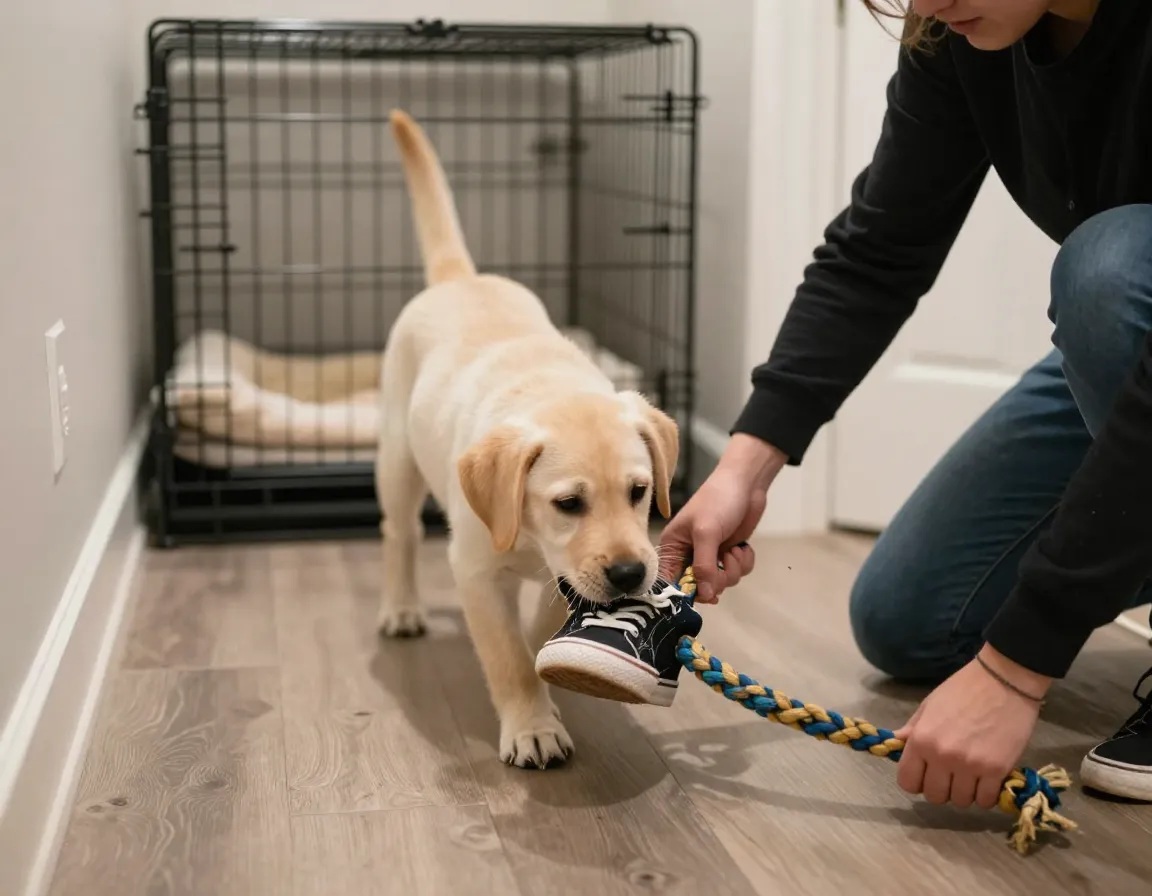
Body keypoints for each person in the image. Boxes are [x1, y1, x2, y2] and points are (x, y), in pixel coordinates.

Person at [659, 0, 1152, 809]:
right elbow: (881, 249)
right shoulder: (955, 29)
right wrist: (746, 464)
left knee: (1108, 271)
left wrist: (1014, 671)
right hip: (1133, 354)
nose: (924, 5)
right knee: (911, 617)